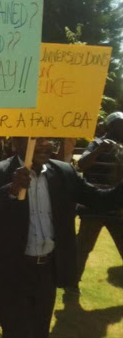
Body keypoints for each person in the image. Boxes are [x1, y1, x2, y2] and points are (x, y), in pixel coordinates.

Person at [0, 137, 123, 338]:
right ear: (17, 143)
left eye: (49, 138)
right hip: (9, 273)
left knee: (40, 333)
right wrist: (10, 191)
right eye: (36, 138)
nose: (44, 143)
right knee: (18, 333)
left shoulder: (64, 172)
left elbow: (100, 200)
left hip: (46, 274)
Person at [74, 112, 123, 293]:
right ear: (111, 127)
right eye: (120, 126)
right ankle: (72, 283)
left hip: (116, 208)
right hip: (93, 206)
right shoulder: (96, 143)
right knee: (83, 248)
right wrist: (99, 150)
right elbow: (82, 165)